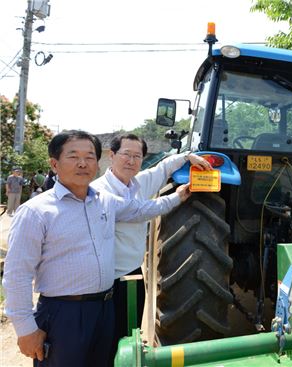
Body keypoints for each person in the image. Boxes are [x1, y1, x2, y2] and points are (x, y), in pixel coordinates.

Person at [2, 130, 192, 367]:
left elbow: (141, 210)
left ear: (98, 161)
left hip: (104, 307)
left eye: (90, 156)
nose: (83, 163)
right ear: (54, 163)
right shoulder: (36, 212)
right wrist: (26, 329)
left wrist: (178, 197)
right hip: (64, 313)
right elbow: (17, 273)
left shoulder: (105, 201)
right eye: (73, 156)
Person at [91, 133, 212, 362]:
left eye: (138, 156)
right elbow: (136, 211)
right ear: (112, 155)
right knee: (106, 338)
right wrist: (176, 197)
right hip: (105, 279)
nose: (132, 160)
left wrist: (188, 156)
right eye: (126, 154)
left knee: (130, 332)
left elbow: (164, 168)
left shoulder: (139, 182)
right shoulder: (99, 190)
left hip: (133, 272)